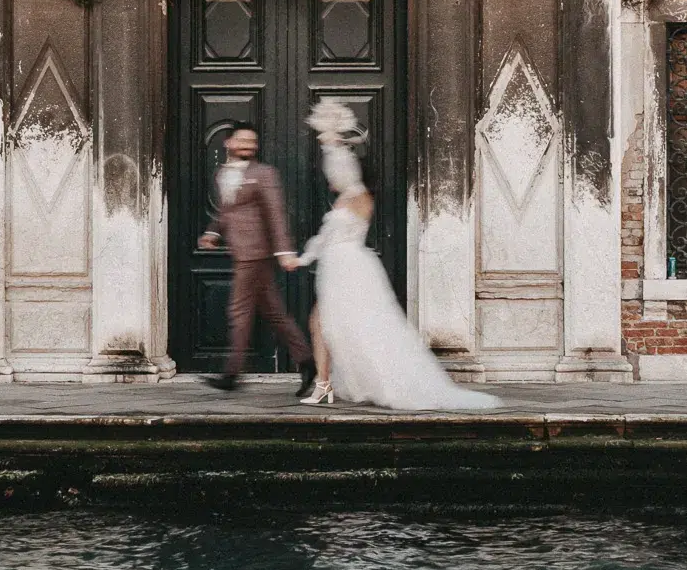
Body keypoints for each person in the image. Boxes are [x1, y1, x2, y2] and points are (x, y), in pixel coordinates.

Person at [296, 100, 499, 412]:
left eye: (337, 172)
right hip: (340, 266)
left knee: (337, 325)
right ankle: (325, 383)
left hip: (347, 268)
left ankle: (328, 384)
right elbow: (326, 238)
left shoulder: (359, 199)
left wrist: (334, 145)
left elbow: (330, 231)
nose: (331, 178)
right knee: (324, 323)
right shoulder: (349, 200)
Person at [197, 125, 317, 397]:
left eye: (253, 140)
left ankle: (231, 374)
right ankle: (307, 361)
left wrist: (284, 250)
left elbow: (275, 212)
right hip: (243, 251)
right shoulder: (222, 174)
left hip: (255, 253)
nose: (249, 144)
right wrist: (213, 232)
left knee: (239, 312)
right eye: (243, 139)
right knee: (275, 313)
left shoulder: (264, 173)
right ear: (229, 142)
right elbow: (227, 210)